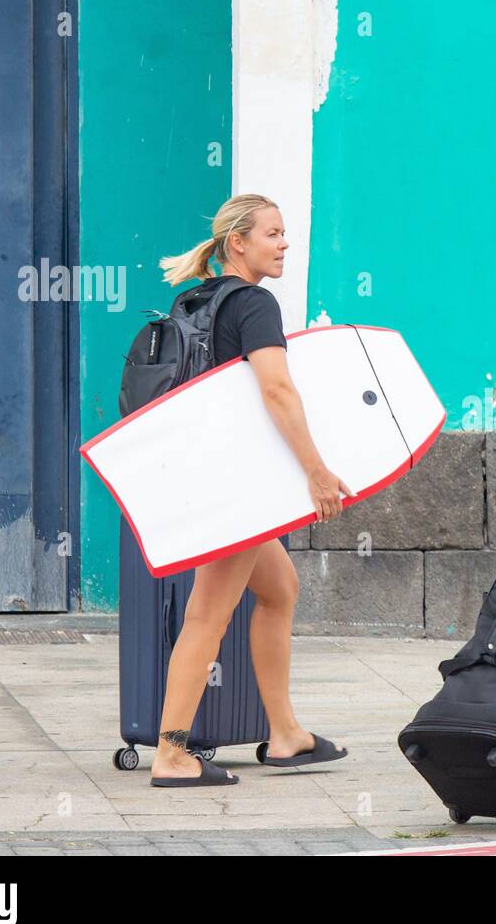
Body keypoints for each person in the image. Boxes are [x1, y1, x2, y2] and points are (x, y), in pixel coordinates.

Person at [149, 193, 353, 787]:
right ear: (238, 242)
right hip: (232, 487)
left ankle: (286, 735)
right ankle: (171, 752)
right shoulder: (255, 303)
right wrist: (317, 471)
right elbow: (277, 392)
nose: (284, 243)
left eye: (285, 233)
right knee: (207, 615)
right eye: (273, 233)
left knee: (280, 588)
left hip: (199, 473)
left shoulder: (194, 300)